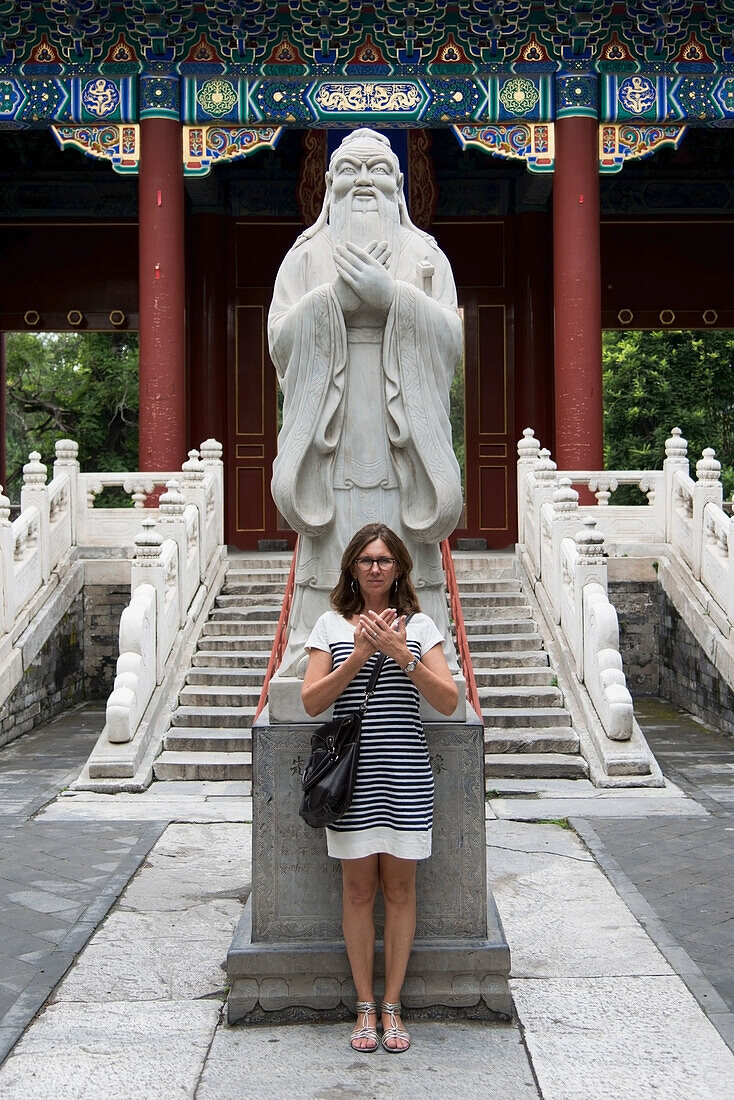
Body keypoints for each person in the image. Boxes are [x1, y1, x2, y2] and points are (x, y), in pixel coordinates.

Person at [269, 128, 463, 677]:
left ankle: (424, 659)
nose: (362, 181)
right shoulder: (305, 256)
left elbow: (450, 338)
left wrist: (392, 298)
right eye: (349, 169)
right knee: (330, 547)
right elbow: (280, 336)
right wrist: (333, 301)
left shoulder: (425, 254)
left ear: (398, 185)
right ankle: (315, 659)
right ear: (329, 185)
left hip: (405, 441)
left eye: (376, 170)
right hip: (329, 438)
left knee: (405, 544)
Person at [301, 523, 458, 1053]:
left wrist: (401, 652)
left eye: (384, 560)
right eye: (366, 560)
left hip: (406, 775)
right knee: (358, 890)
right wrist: (362, 656)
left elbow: (448, 701)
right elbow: (312, 701)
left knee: (400, 891)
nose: (374, 568)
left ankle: (393, 1006)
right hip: (352, 781)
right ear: (351, 567)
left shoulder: (420, 625)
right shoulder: (328, 624)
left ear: (399, 570)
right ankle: (364, 1006)